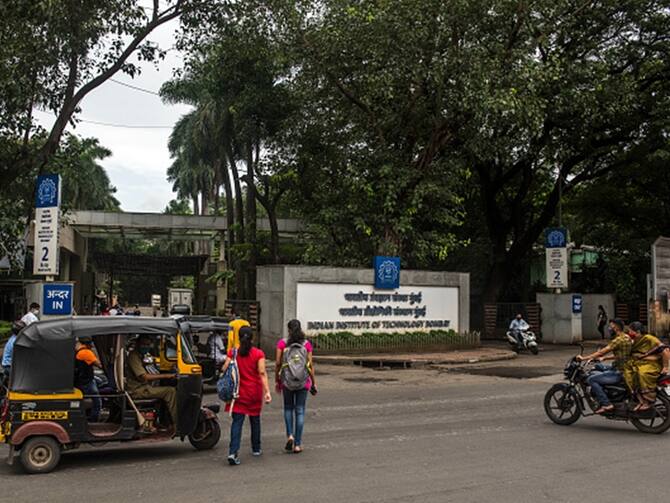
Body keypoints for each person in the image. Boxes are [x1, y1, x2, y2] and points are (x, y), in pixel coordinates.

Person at [221, 327, 271, 465]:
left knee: (237, 422)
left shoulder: (233, 352)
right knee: (255, 420)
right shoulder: (258, 353)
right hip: (254, 392)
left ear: (239, 337)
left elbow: (224, 368)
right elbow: (262, 372)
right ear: (252, 338)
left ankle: (233, 452)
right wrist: (267, 391)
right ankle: (256, 448)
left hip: (237, 393)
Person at [275, 319, 317, 454]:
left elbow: (277, 363)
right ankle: (298, 444)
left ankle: (290, 436)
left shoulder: (282, 343)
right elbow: (310, 365)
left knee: (288, 408)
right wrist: (313, 382)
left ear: (288, 330)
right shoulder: (306, 344)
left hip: (287, 381)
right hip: (303, 382)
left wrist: (277, 380)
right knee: (300, 410)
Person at [577, 319, 631, 414]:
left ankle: (606, 404)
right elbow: (622, 355)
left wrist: (584, 358)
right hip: (625, 368)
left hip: (619, 372)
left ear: (616, 327)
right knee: (599, 368)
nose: (609, 328)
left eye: (611, 326)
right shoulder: (627, 337)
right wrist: (605, 359)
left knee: (591, 379)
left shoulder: (618, 340)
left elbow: (602, 351)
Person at [126, 335, 178, 430]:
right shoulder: (133, 356)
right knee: (170, 391)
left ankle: (163, 421)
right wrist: (166, 376)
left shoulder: (144, 356)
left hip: (145, 387)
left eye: (148, 344)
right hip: (138, 390)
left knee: (164, 391)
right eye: (144, 344)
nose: (146, 347)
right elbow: (144, 376)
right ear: (138, 344)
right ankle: (177, 423)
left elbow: (152, 367)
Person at [623, 321, 670, 412]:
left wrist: (666, 367)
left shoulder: (649, 338)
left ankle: (648, 400)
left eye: (631, 331)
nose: (629, 333)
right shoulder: (633, 340)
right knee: (628, 375)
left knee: (642, 373)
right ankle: (639, 400)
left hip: (651, 364)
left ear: (638, 331)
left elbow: (665, 350)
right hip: (637, 363)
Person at [74, 337, 103, 422]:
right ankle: (94, 419)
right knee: (97, 401)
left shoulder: (78, 352)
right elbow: (100, 365)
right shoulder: (86, 352)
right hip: (87, 382)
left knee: (101, 381)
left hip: (81, 379)